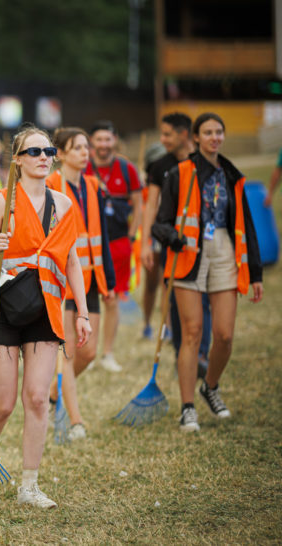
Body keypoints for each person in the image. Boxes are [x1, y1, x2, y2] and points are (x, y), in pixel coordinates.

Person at [0, 125, 91, 509]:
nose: (44, 156)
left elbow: (71, 260)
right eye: (34, 151)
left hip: (45, 308)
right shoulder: (0, 202)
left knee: (38, 398)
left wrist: (83, 313)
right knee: (4, 404)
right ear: (17, 160)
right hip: (1, 308)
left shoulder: (64, 204)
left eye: (48, 150)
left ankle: (29, 486)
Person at [152, 112, 263, 432]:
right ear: (196, 138)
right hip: (188, 255)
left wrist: (255, 272)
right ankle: (188, 407)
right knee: (192, 332)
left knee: (225, 335)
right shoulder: (179, 173)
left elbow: (247, 225)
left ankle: (209, 386)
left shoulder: (232, 175)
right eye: (208, 132)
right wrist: (172, 237)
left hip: (225, 253)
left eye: (219, 132)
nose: (214, 137)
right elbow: (159, 223)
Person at [45, 128, 116, 441]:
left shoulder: (92, 185)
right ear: (60, 154)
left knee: (88, 354)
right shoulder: (49, 186)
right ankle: (76, 422)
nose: (85, 153)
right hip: (63, 282)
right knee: (70, 353)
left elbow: (103, 235)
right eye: (77, 148)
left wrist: (109, 280)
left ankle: (48, 394)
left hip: (91, 280)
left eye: (86, 147)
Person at [143, 114, 212, 376]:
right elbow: (151, 204)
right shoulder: (160, 165)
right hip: (171, 244)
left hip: (204, 243)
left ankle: (201, 353)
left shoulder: (206, 161)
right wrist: (146, 244)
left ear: (184, 134)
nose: (163, 140)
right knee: (174, 297)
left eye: (167, 134)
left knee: (203, 300)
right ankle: (181, 350)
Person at [85, 121, 143, 372]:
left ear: (115, 141)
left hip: (119, 243)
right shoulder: (83, 167)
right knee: (86, 301)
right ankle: (86, 353)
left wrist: (131, 237)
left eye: (108, 140)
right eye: (99, 140)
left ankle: (107, 353)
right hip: (88, 246)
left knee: (112, 299)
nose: (104, 145)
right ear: (91, 142)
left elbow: (139, 204)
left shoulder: (126, 168)